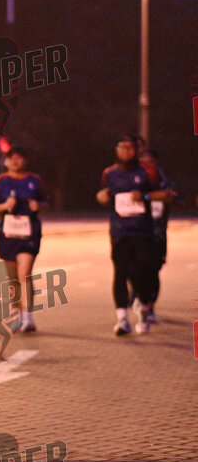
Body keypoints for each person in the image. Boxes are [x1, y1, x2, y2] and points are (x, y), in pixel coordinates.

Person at [96, 135, 174, 335]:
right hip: (119, 231)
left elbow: (167, 194)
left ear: (136, 150)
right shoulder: (109, 173)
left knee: (143, 273)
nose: (125, 151)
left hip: (143, 231)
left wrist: (145, 196)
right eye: (121, 147)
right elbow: (103, 193)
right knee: (120, 272)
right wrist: (102, 196)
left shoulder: (148, 172)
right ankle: (122, 318)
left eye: (130, 147)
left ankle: (144, 306)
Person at [0, 146, 47, 332]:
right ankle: (17, 314)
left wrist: (38, 206)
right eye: (12, 158)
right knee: (13, 278)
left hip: (29, 232)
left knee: (24, 273)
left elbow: (46, 202)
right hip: (8, 233)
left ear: (25, 160)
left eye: (19, 158)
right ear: (6, 161)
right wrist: (4, 206)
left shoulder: (35, 180)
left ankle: (28, 317)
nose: (15, 161)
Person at [138, 149, 177, 322]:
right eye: (144, 162)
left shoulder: (164, 182)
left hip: (157, 234)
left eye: (151, 162)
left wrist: (164, 196)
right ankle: (139, 298)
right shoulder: (135, 182)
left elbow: (175, 198)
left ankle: (150, 306)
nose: (147, 166)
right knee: (135, 270)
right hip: (137, 232)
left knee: (153, 271)